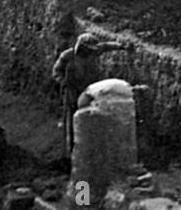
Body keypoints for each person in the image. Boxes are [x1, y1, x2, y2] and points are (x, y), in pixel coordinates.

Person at [51, 33, 127, 161]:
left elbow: (106, 46)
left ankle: (90, 149)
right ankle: (71, 152)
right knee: (71, 120)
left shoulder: (93, 52)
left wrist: (121, 46)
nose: (90, 52)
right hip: (72, 91)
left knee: (91, 117)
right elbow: (56, 71)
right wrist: (64, 82)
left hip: (90, 90)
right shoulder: (68, 56)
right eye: (87, 49)